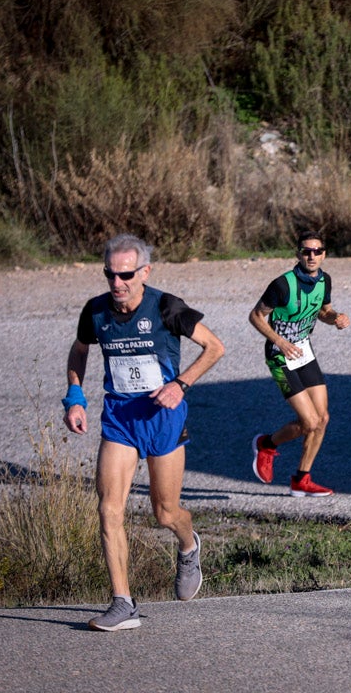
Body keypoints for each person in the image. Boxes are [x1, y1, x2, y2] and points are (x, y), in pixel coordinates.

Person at [63, 233, 225, 631]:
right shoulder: (96, 311)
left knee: (165, 512)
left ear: (145, 272)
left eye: (126, 275)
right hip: (120, 419)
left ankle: (189, 545)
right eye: (110, 275)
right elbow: (80, 349)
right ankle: (123, 603)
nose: (117, 283)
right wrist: (75, 395)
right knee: (108, 509)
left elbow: (215, 348)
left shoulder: (167, 306)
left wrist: (180, 384)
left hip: (163, 419)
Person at [249, 230, 350, 497]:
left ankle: (301, 479)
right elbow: (256, 316)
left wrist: (336, 318)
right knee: (309, 421)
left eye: (317, 251)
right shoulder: (282, 285)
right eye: (306, 251)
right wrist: (279, 341)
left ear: (324, 254)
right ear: (298, 254)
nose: (312, 256)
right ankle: (266, 444)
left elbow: (324, 311)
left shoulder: (325, 280)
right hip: (280, 355)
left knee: (323, 419)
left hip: (304, 351)